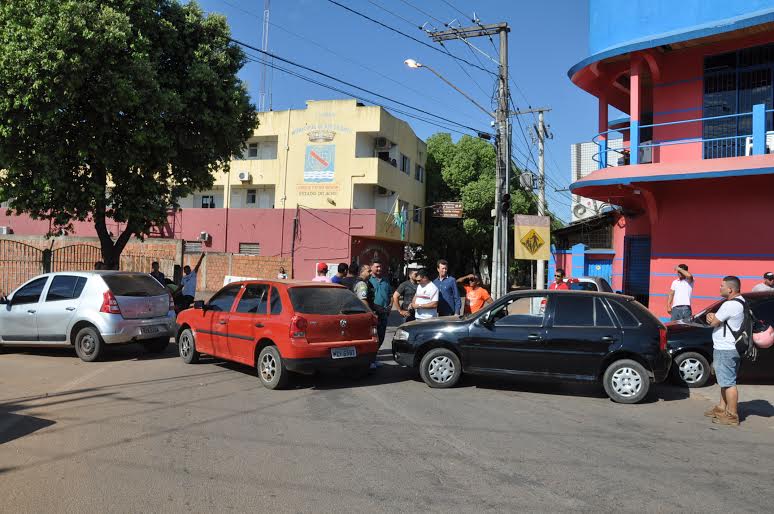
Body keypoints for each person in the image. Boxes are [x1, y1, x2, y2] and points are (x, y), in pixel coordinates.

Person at [705, 276, 745, 426]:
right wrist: (715, 317)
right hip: (731, 348)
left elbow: (714, 322)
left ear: (730, 289)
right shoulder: (742, 302)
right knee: (725, 380)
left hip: (726, 348)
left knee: (728, 383)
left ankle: (732, 415)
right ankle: (722, 408)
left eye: (722, 286)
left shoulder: (730, 305)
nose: (719, 288)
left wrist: (711, 317)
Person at [369, 259, 393, 348]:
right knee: (372, 336)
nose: (379, 269)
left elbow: (391, 295)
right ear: (371, 267)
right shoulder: (368, 280)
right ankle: (372, 355)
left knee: (381, 335)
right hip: (373, 312)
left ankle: (376, 353)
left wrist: (390, 306)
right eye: (377, 267)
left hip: (384, 312)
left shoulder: (386, 281)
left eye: (380, 267)